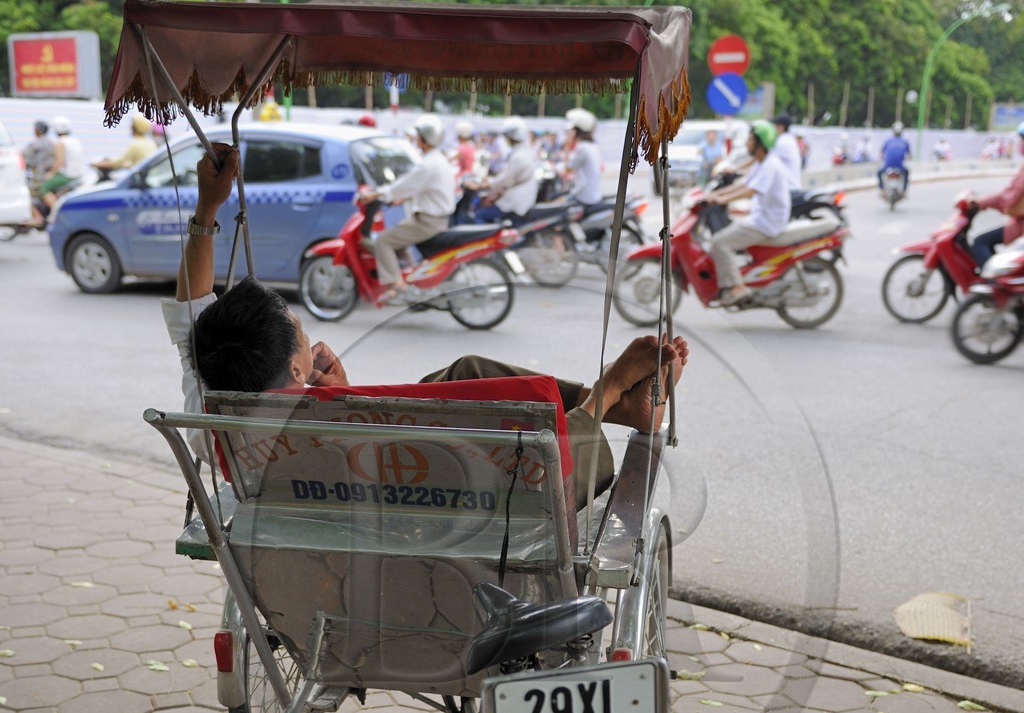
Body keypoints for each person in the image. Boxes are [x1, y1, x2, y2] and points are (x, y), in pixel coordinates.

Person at [166, 143, 688, 507]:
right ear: (297, 370)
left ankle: (617, 410)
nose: (309, 339)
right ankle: (609, 395)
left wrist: (208, 208)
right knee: (520, 435)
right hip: (436, 512)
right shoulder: (341, 434)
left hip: (331, 505)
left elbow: (192, 310)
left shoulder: (212, 409)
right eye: (302, 335)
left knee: (468, 371)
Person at [356, 113, 456, 295]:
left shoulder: (428, 164)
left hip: (427, 221)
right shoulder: (438, 160)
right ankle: (408, 273)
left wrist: (375, 194)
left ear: (424, 139)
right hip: (437, 218)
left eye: (418, 136)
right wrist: (400, 198)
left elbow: (403, 185)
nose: (415, 139)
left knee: (384, 242)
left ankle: (398, 285)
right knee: (397, 235)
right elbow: (420, 188)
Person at [702, 119, 792, 306]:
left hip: (766, 223)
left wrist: (720, 199)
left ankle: (736, 287)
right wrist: (715, 194)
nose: (747, 144)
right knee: (728, 230)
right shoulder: (762, 162)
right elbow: (743, 184)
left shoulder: (770, 166)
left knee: (720, 242)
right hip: (760, 218)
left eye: (750, 141)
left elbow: (750, 191)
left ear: (760, 145)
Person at [971, 117, 1024, 268]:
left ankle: (993, 284)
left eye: (1022, 139)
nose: (1019, 143)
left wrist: (981, 202)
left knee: (980, 242)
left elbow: (1011, 194)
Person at [472, 118, 538, 222]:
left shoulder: (519, 156)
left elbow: (506, 180)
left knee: (480, 215)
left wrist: (488, 183)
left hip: (516, 201)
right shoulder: (525, 151)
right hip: (521, 196)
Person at [41, 118, 86, 211]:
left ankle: (56, 211)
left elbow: (59, 162)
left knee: (42, 187)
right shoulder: (76, 141)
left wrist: (50, 174)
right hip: (79, 174)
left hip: (68, 176)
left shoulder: (60, 143)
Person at [93, 113, 158, 174]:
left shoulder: (136, 144)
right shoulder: (151, 142)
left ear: (134, 128)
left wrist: (100, 164)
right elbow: (140, 162)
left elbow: (119, 161)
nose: (130, 127)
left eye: (132, 126)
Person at [564, 108, 602, 206]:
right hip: (594, 194)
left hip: (584, 196)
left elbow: (568, 169)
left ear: (577, 131)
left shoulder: (582, 148)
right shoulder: (593, 146)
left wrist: (567, 145)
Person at [22, 121, 57, 227]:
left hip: (39, 177)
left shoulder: (35, 144)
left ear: (38, 130)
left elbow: (26, 159)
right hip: (51, 175)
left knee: (26, 194)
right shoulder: (52, 143)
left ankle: (37, 217)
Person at [877, 122, 911, 196]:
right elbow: (910, 155)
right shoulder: (905, 142)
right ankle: (904, 191)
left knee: (879, 172)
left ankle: (882, 190)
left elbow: (881, 153)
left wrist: (882, 159)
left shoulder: (888, 141)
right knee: (907, 173)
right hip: (900, 166)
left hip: (887, 166)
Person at [772, 113, 802, 190]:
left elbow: (766, 161)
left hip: (788, 189)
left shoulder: (782, 142)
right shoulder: (788, 139)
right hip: (791, 187)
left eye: (775, 126)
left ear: (781, 127)